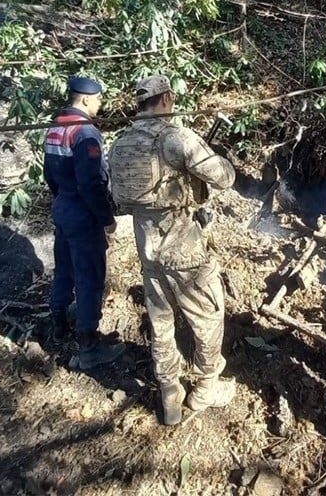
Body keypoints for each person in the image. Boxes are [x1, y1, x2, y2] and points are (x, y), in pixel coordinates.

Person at [107, 75, 236, 426]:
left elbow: (117, 197)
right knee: (208, 318)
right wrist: (217, 158)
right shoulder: (175, 138)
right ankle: (206, 388)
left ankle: (170, 395)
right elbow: (224, 178)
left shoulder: (120, 145)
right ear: (166, 99)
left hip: (147, 251)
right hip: (185, 251)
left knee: (161, 324)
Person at [44, 76, 125, 370]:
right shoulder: (86, 133)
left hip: (62, 207)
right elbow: (92, 182)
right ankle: (89, 346)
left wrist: (61, 201)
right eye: (99, 100)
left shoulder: (56, 126)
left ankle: (58, 324)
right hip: (82, 212)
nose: (100, 105)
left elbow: (49, 175)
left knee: (63, 268)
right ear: (87, 99)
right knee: (90, 277)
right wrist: (106, 219)